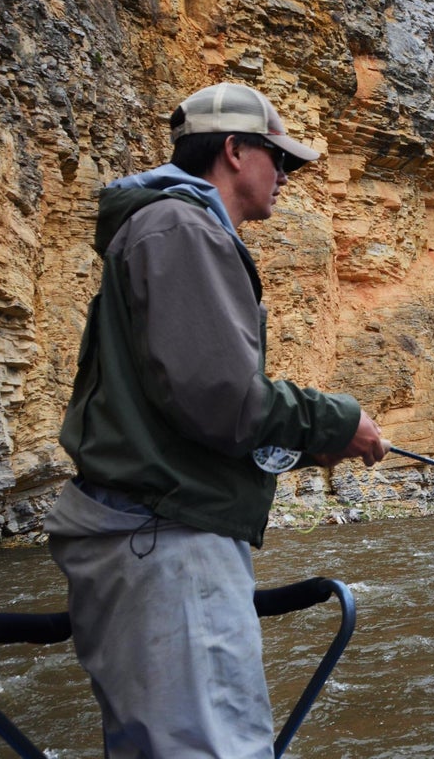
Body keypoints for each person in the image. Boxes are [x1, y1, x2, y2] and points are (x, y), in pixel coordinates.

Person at [44, 82, 388, 758]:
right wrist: (335, 423)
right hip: (166, 547)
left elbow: (185, 403)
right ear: (234, 151)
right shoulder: (182, 229)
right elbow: (222, 401)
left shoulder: (166, 228)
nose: (285, 176)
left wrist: (300, 444)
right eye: (278, 159)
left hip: (146, 539)